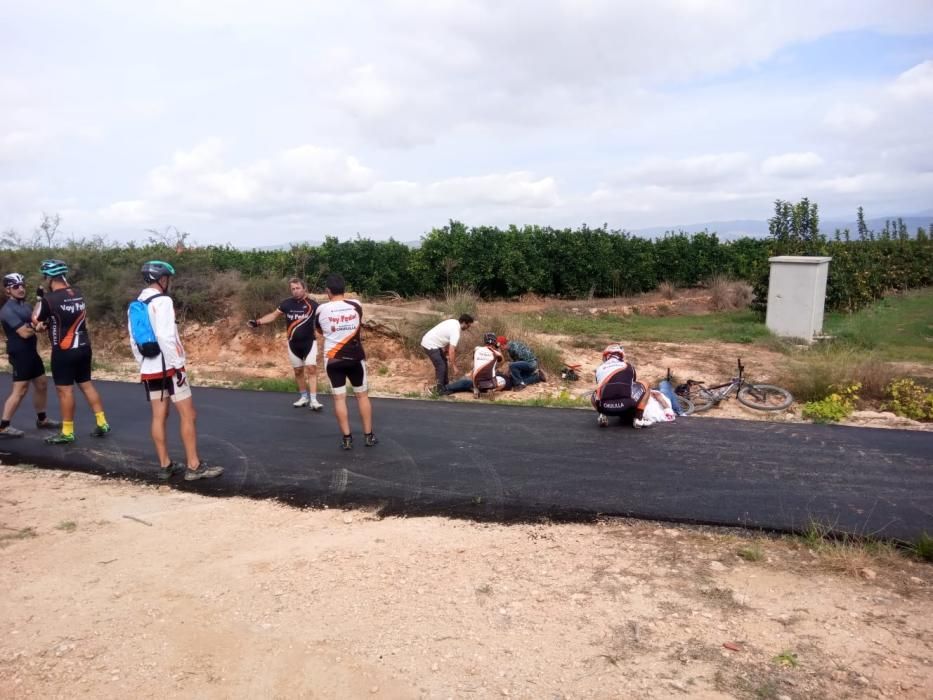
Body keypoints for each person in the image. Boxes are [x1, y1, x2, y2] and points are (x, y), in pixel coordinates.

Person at [130, 261, 224, 480]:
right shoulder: (163, 301)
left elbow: (134, 340)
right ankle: (194, 466)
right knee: (188, 414)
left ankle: (165, 465)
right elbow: (165, 336)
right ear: (162, 279)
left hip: (150, 368)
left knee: (158, 416)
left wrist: (142, 364)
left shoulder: (137, 303)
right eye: (167, 278)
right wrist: (177, 366)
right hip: (169, 368)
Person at [32, 259, 110, 444]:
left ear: (49, 278)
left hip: (64, 349)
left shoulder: (49, 299)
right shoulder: (78, 293)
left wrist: (39, 300)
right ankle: (102, 422)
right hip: (83, 346)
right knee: (86, 384)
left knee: (64, 390)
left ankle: (67, 432)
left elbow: (35, 319)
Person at [315, 273, 376, 450]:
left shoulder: (320, 309)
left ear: (328, 291)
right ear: (344, 289)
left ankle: (347, 438)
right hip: (356, 357)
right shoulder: (356, 305)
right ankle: (368, 436)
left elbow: (319, 330)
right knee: (362, 396)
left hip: (333, 359)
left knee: (339, 398)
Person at [246, 278, 323, 410]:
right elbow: (273, 316)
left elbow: (323, 322)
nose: (295, 291)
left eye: (298, 288)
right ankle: (303, 397)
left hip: (309, 343)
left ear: (304, 288)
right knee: (298, 371)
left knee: (311, 369)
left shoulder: (313, 305)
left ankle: (314, 400)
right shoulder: (286, 304)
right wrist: (258, 322)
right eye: (293, 289)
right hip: (293, 344)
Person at [0, 273, 60, 437]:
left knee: (41, 384)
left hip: (31, 352)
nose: (20, 289)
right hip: (19, 352)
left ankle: (42, 420)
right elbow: (24, 333)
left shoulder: (24, 305)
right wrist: (37, 329)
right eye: (16, 287)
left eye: (22, 286)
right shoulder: (7, 311)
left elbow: (34, 318)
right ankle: (4, 426)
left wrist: (40, 300)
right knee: (20, 390)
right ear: (8, 290)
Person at [591, 344, 650, 428]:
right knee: (646, 383)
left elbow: (600, 388)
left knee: (596, 392)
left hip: (605, 407)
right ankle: (638, 419)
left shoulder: (599, 368)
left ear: (606, 356)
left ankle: (602, 416)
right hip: (626, 405)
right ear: (621, 355)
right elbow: (632, 384)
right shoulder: (628, 366)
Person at [420, 314, 474, 395]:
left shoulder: (453, 322)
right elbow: (452, 351)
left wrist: (445, 350)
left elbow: (447, 338)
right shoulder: (456, 331)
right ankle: (438, 390)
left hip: (432, 342)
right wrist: (454, 366)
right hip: (430, 344)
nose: (468, 328)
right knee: (441, 366)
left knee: (443, 362)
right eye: (468, 326)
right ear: (463, 323)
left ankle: (445, 386)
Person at [444, 333, 512, 397]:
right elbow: (502, 361)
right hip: (490, 384)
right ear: (494, 342)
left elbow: (474, 363)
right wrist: (497, 347)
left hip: (476, 383)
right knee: (503, 380)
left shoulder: (477, 349)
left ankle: (473, 389)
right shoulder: (496, 353)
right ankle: (491, 390)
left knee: (468, 379)